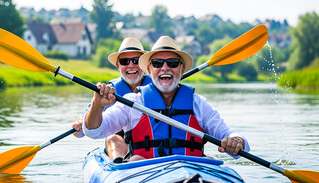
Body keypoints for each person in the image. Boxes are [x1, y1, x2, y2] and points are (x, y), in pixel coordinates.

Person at [83, 36, 250, 161]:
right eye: (157, 63)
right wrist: (97, 106)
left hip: (190, 173)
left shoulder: (198, 104)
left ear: (182, 69)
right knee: (136, 159)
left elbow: (234, 137)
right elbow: (94, 131)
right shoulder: (132, 102)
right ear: (149, 69)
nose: (165, 68)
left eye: (172, 63)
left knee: (210, 161)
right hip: (144, 173)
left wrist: (236, 141)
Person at [72, 38, 152, 163]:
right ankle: (120, 166)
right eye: (125, 61)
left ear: (144, 65)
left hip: (152, 140)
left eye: (136, 61)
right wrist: (79, 125)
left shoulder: (158, 87)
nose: (131, 65)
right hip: (122, 142)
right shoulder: (108, 91)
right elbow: (81, 132)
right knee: (113, 138)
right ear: (118, 65)